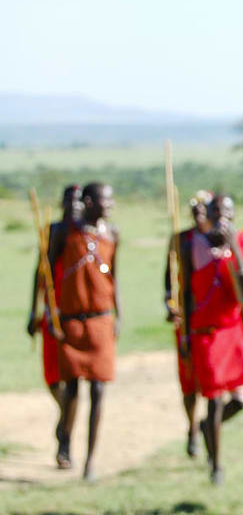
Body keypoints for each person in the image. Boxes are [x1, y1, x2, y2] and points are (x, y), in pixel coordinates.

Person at [188, 193, 243, 485]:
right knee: (214, 400)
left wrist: (233, 249)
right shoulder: (193, 243)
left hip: (234, 330)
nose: (222, 217)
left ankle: (206, 427)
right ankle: (215, 464)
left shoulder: (242, 240)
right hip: (206, 333)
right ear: (209, 214)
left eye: (227, 211)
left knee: (242, 399)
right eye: (216, 211)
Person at [55, 182, 121, 480]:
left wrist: (118, 314)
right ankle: (65, 439)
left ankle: (90, 461)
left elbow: (113, 276)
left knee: (98, 390)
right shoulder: (65, 233)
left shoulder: (113, 234)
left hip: (102, 320)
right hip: (71, 321)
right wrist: (46, 312)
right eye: (105, 200)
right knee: (71, 389)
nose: (110, 204)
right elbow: (44, 269)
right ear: (90, 202)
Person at [27, 184, 83, 465]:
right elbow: (40, 274)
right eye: (69, 200)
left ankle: (65, 443)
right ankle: (66, 417)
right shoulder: (52, 231)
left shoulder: (86, 235)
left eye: (79, 201)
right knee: (52, 378)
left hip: (78, 320)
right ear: (61, 202)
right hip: (53, 317)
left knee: (72, 381)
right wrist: (31, 313)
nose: (74, 206)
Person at [163, 190, 212, 458]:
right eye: (194, 209)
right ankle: (192, 427)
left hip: (212, 321)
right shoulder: (180, 239)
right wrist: (170, 305)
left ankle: (208, 427)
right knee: (189, 379)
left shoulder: (218, 242)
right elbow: (168, 283)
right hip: (187, 321)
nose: (198, 214)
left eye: (203, 209)